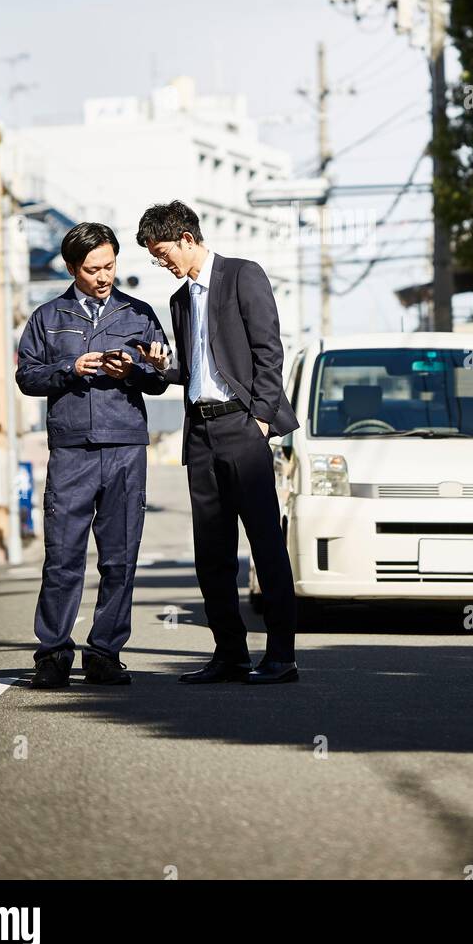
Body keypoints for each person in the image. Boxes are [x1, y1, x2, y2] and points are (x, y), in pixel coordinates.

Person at [135, 199, 300, 685]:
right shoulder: (179, 300)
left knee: (265, 544)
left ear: (186, 238)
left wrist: (263, 423)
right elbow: (188, 371)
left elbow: (269, 352)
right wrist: (156, 365)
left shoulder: (243, 275)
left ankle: (282, 655)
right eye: (152, 255)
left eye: (161, 251)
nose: (160, 262)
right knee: (211, 551)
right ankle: (229, 653)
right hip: (201, 432)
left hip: (243, 428)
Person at [16, 221, 171, 689]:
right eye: (92, 269)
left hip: (125, 447)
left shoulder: (138, 313)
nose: (103, 276)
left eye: (109, 265)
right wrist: (68, 368)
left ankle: (104, 653)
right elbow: (27, 377)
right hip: (71, 451)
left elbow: (162, 376)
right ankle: (53, 655)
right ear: (71, 268)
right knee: (62, 555)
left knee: (119, 558)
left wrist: (141, 369)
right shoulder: (47, 317)